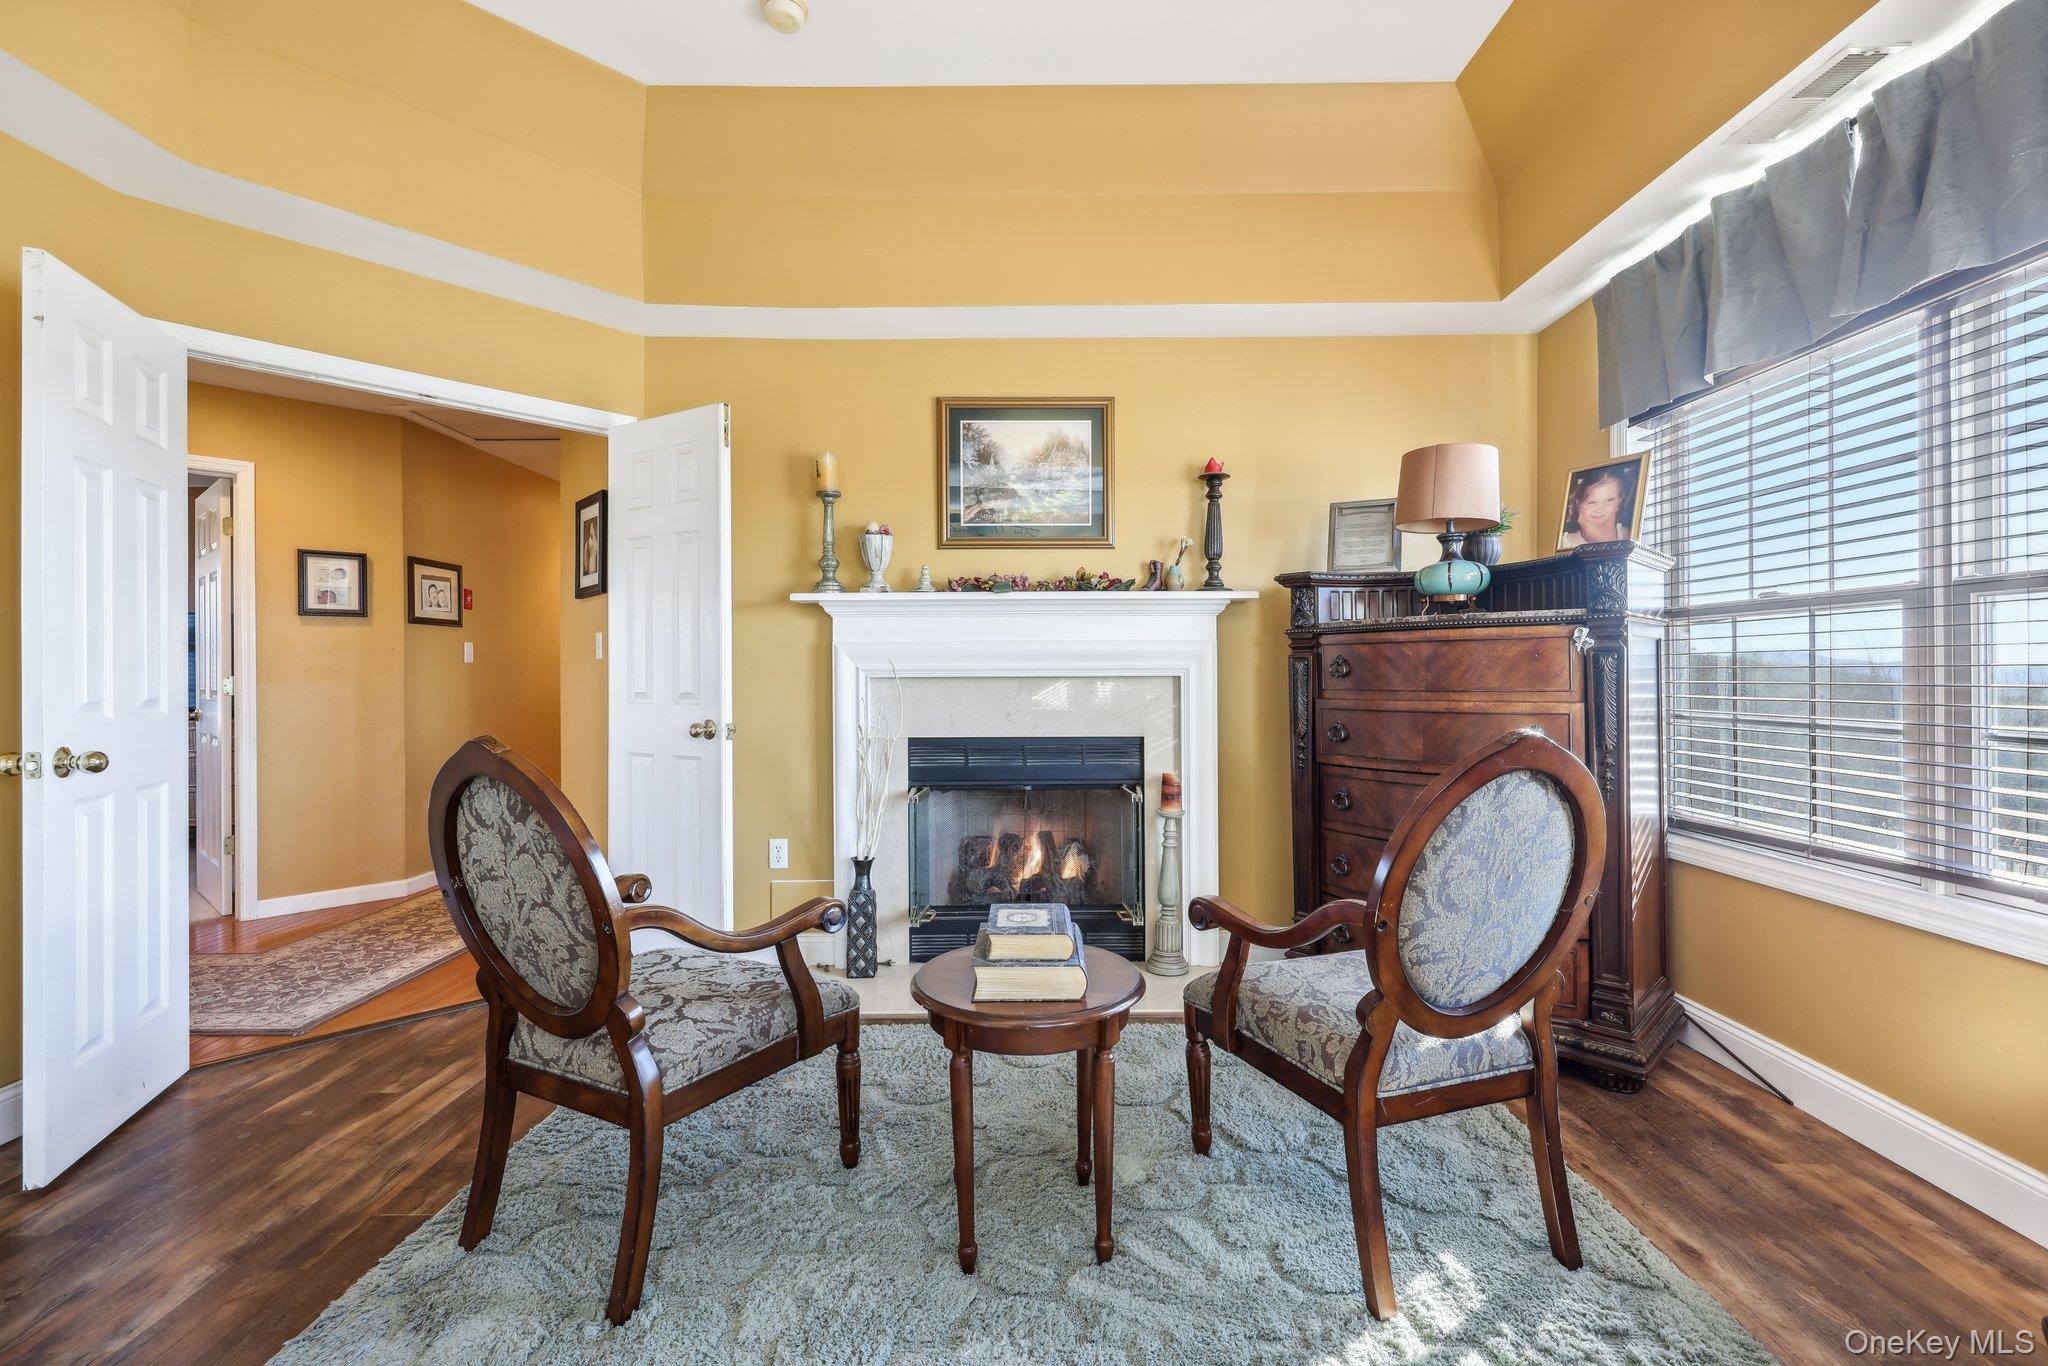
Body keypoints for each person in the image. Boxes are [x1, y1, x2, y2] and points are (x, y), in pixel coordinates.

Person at [1561, 469, 1632, 547]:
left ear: (1620, 500)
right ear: (1579, 503)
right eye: (1592, 502)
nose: (1600, 510)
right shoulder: (1565, 543)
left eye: (1609, 500)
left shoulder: (1626, 534)